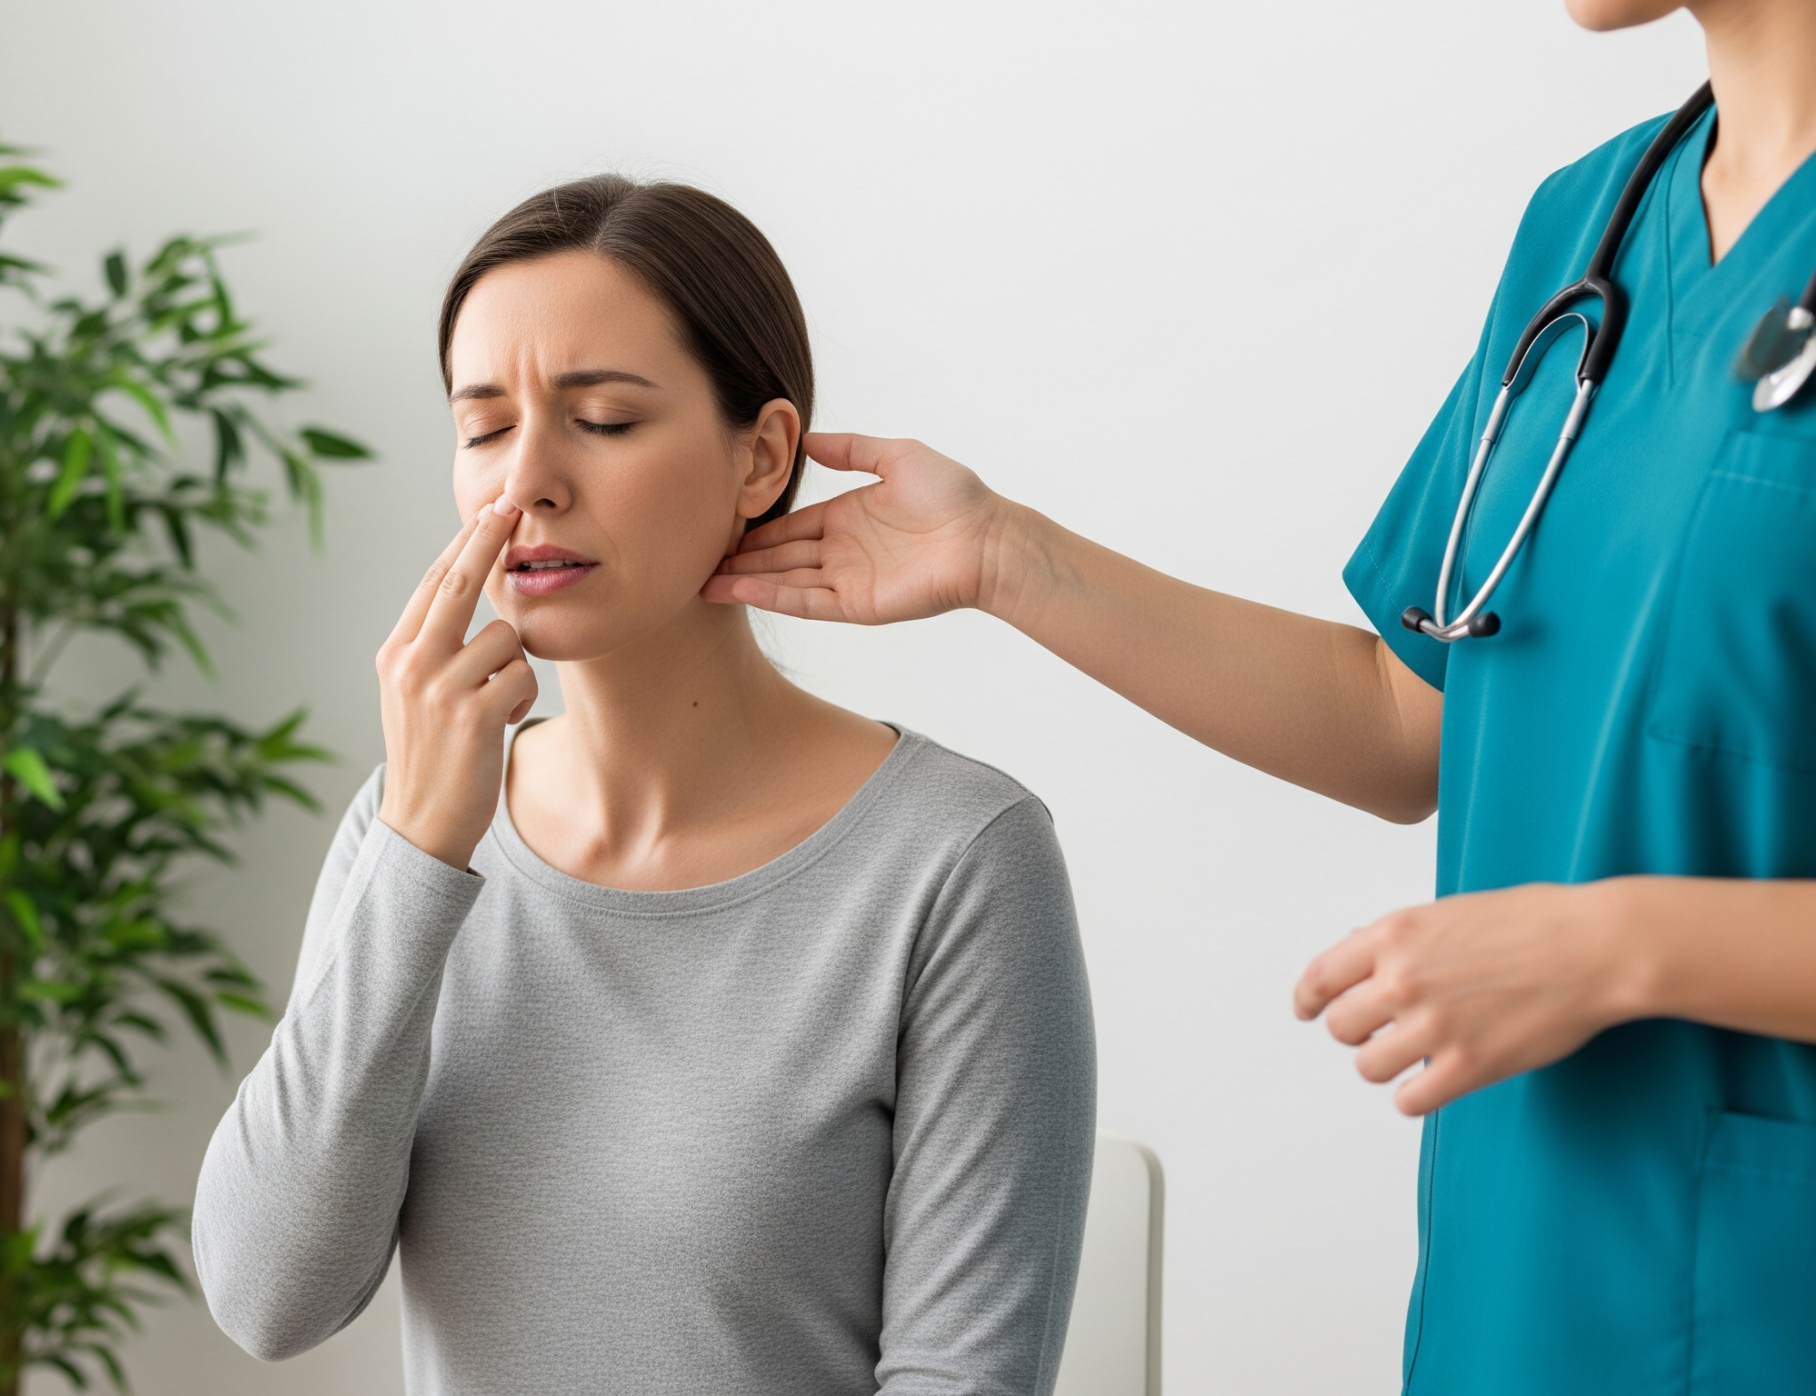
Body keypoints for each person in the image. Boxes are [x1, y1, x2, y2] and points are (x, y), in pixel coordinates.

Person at [704, 2, 1816, 1392]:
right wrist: (1008, 558)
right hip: (1518, 1296)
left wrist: (1619, 946)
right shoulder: (1593, 224)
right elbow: (1409, 717)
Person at [193, 176, 1097, 1396]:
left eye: (605, 419)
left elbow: (962, 1372)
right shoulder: (412, 827)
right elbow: (267, 1297)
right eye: (481, 428)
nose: (526, 485)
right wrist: (416, 850)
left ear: (760, 457)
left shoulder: (954, 860)